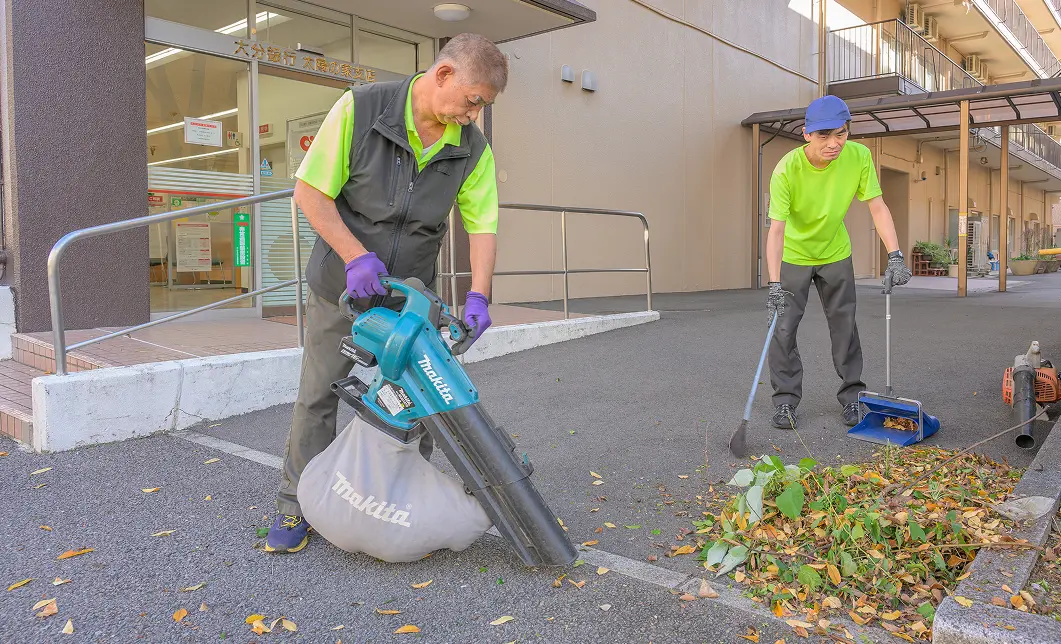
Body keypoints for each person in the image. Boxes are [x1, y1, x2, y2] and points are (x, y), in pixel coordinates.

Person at [265, 33, 508, 553]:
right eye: (473, 101)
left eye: (483, 106)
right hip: (344, 286)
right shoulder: (361, 108)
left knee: (418, 400)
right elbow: (311, 192)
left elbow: (481, 224)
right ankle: (296, 504)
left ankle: (398, 501)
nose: (475, 114)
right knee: (318, 395)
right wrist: (356, 256)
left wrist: (480, 296)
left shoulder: (472, 149)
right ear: (443, 74)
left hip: (412, 294)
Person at [765, 95, 912, 431]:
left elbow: (877, 206)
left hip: (835, 253)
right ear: (806, 134)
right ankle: (785, 401)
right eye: (824, 135)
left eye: (841, 134)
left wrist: (895, 255)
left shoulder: (859, 156)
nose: (833, 144)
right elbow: (776, 231)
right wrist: (774, 283)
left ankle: (852, 398)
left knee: (845, 325)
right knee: (783, 328)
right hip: (794, 256)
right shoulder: (787, 169)